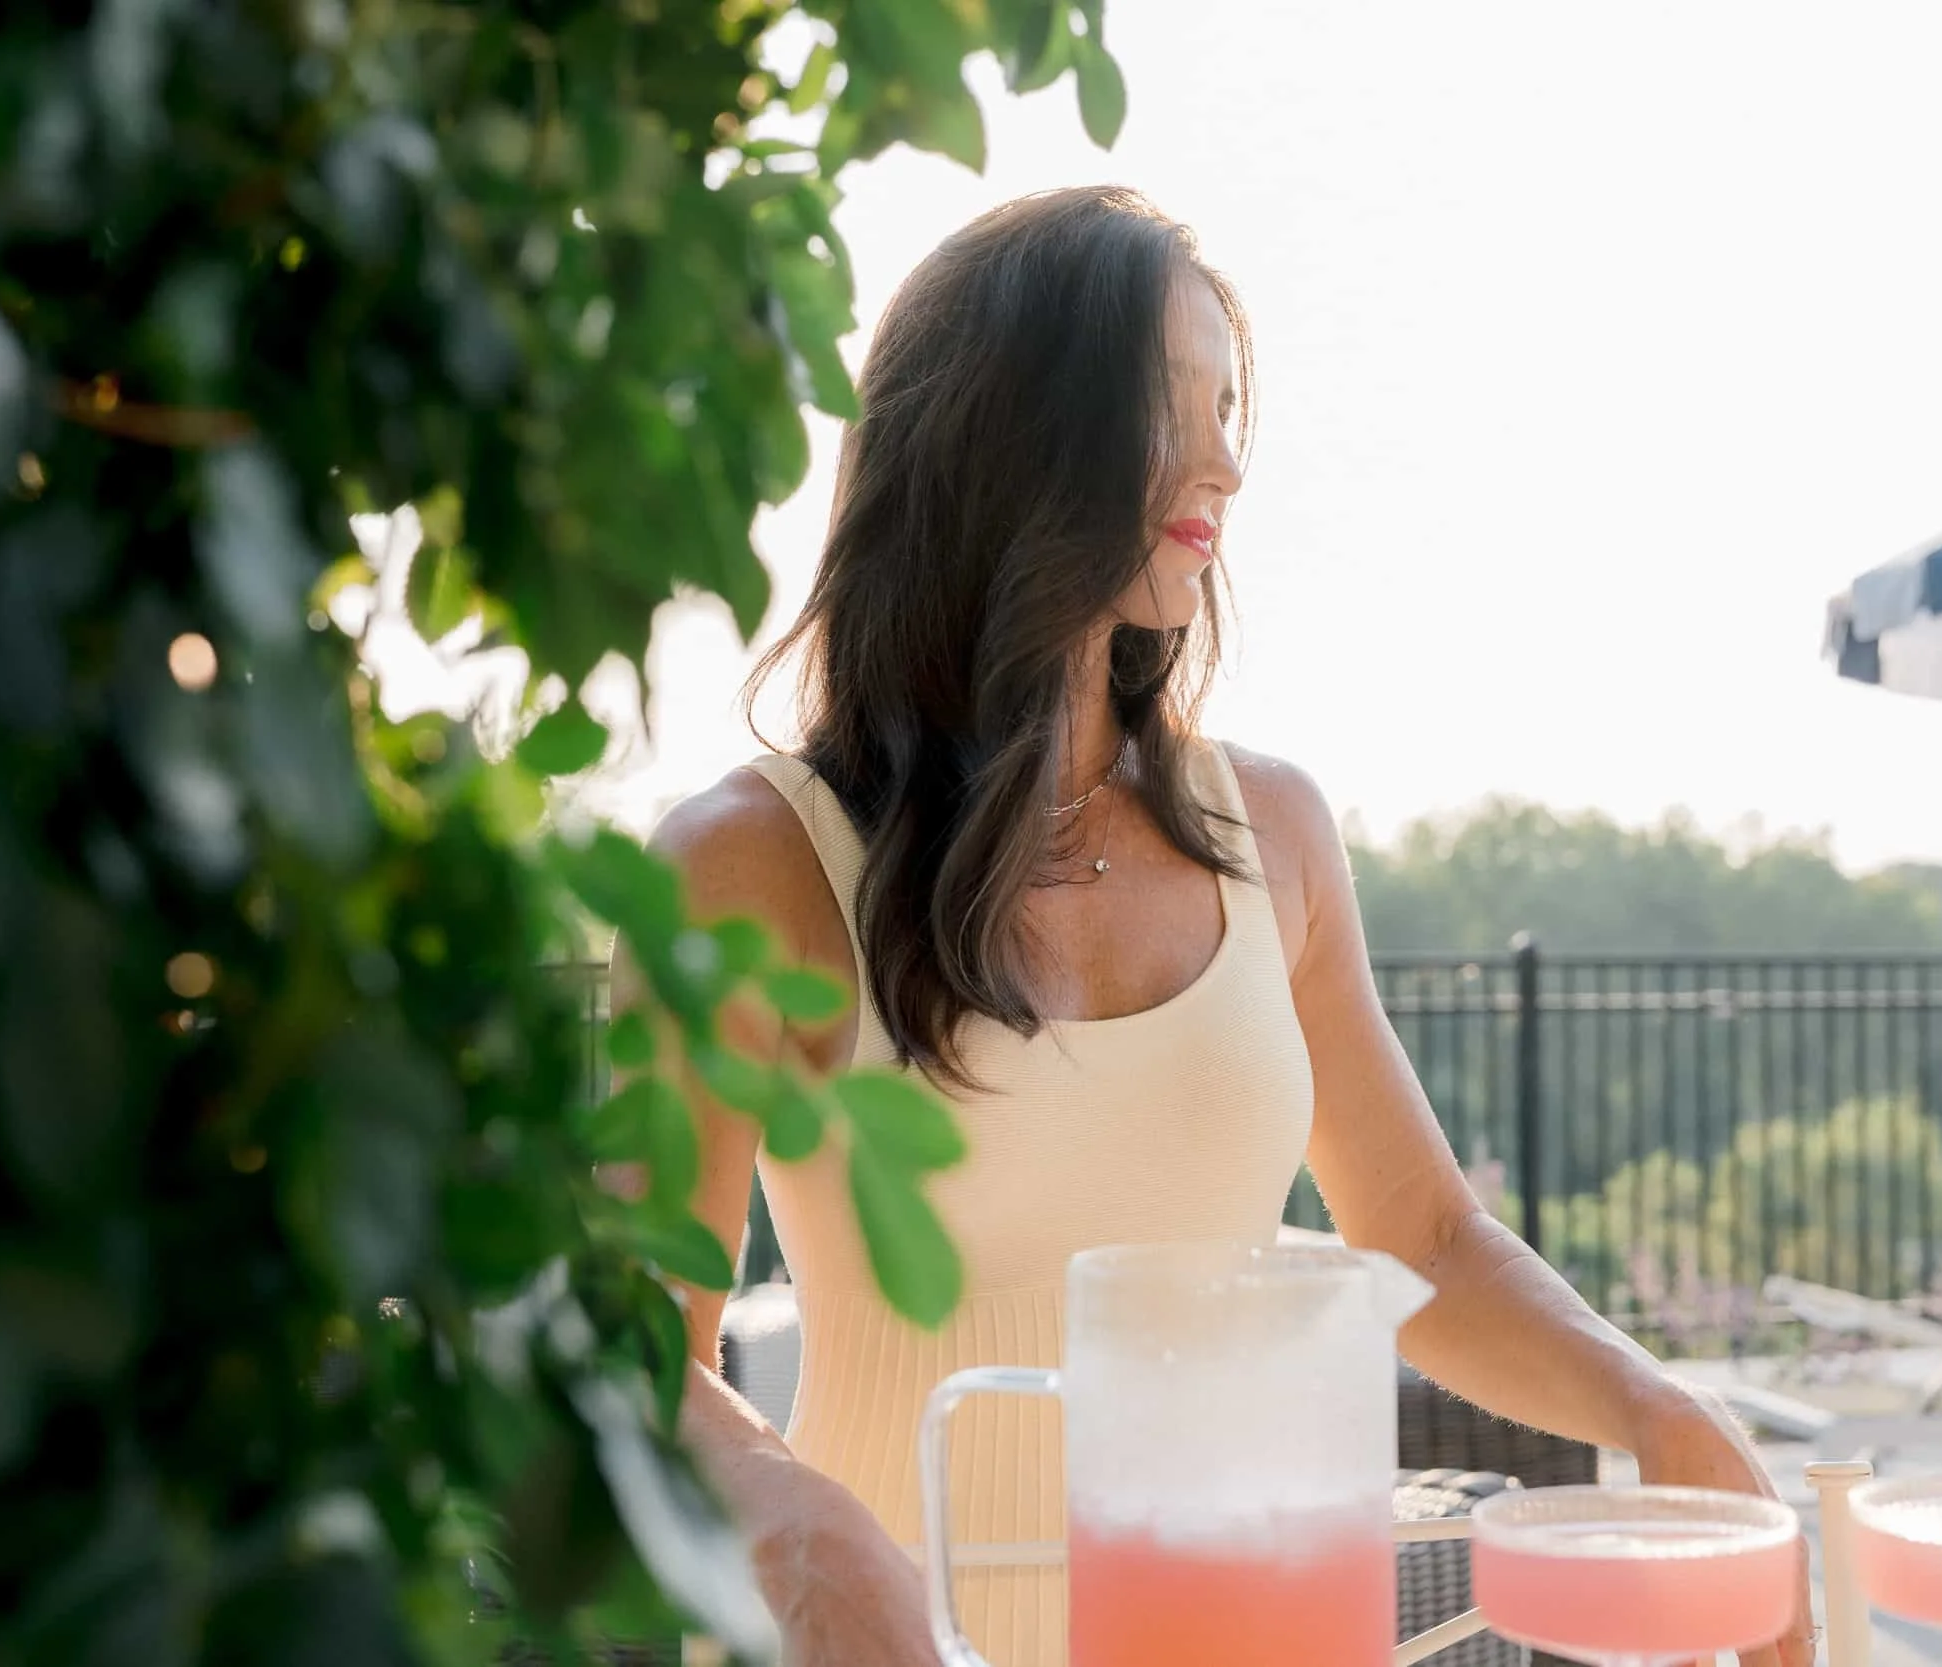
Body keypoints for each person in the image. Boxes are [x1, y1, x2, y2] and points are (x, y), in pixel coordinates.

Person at [618, 185, 1812, 1667]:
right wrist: (808, 1537)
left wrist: (1659, 1406)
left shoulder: (1278, 834)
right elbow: (625, 1341)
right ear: (1014, 431)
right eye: (1170, 404)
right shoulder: (750, 865)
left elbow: (1424, 1236)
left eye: (1231, 406)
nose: (1229, 464)